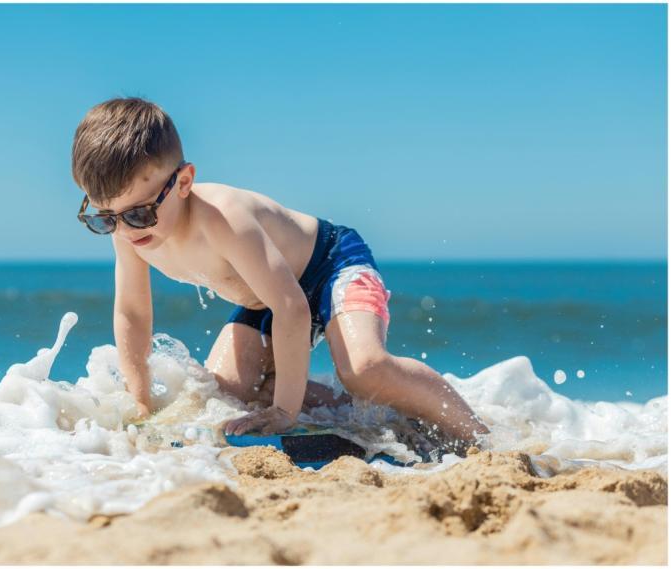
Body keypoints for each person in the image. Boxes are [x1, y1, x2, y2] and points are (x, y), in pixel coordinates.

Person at [71, 97, 489, 443]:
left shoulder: (223, 218)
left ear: (182, 182)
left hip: (331, 264)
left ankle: (478, 436)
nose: (124, 230)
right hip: (266, 294)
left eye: (140, 213)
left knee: (364, 369)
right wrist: (140, 399)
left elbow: (291, 307)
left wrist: (285, 413)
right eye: (104, 218)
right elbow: (132, 313)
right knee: (230, 393)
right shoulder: (130, 233)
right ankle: (386, 413)